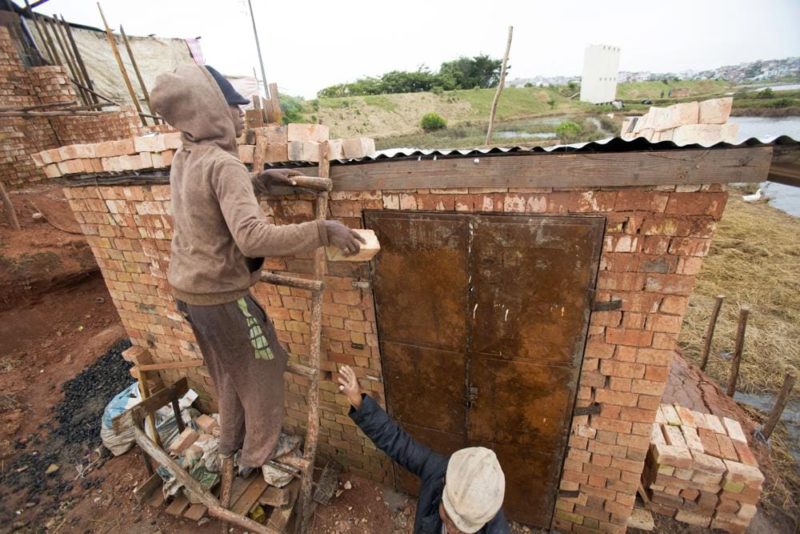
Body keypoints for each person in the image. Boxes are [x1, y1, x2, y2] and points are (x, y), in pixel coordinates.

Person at [149, 64, 364, 476]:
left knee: (228, 372)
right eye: (232, 105)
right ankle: (257, 456)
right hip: (222, 298)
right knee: (265, 369)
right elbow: (252, 238)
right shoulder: (223, 165)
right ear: (208, 110)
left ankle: (230, 442)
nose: (241, 113)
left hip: (190, 293)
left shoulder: (186, 156)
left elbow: (208, 198)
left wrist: (260, 182)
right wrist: (324, 230)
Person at [337, 365, 509, 534]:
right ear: (445, 485)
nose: (451, 530)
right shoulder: (438, 471)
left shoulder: (495, 525)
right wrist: (359, 401)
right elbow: (399, 444)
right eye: (448, 516)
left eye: (462, 528)